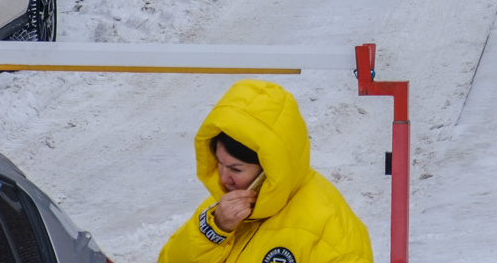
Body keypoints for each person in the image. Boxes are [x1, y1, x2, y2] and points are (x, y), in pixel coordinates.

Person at [160, 79, 373, 263]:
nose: (223, 178)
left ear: (270, 169)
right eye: (219, 163)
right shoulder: (219, 212)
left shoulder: (330, 226)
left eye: (235, 169)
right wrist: (216, 231)